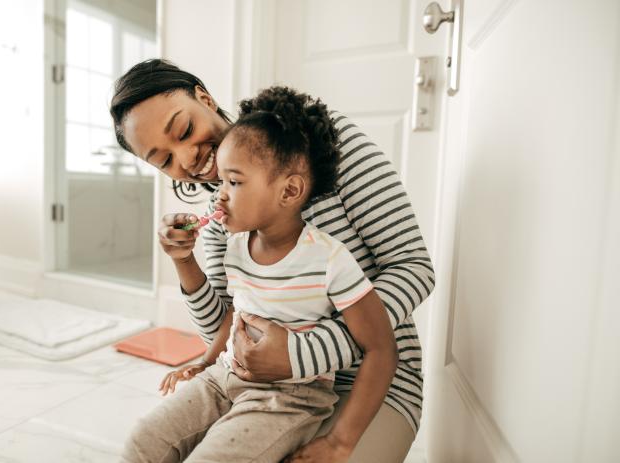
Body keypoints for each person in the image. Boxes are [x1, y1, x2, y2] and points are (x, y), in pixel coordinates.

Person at [111, 59, 435, 462]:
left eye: (184, 130)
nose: (187, 157)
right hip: (253, 386)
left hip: (370, 381)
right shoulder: (221, 221)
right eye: (164, 160)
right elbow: (227, 327)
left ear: (204, 98)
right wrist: (183, 262)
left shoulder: (319, 148)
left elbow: (413, 267)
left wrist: (305, 352)